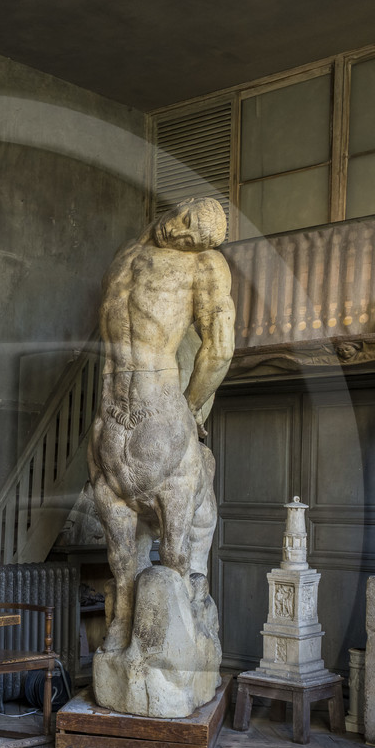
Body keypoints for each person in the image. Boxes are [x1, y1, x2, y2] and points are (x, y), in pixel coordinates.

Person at [87, 195, 231, 652]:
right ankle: (122, 616)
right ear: (182, 205)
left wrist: (190, 405)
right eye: (185, 222)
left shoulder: (204, 265)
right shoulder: (125, 254)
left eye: (194, 238)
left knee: (175, 541)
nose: (181, 234)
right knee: (117, 537)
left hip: (159, 401)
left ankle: (174, 631)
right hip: (111, 409)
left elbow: (220, 346)